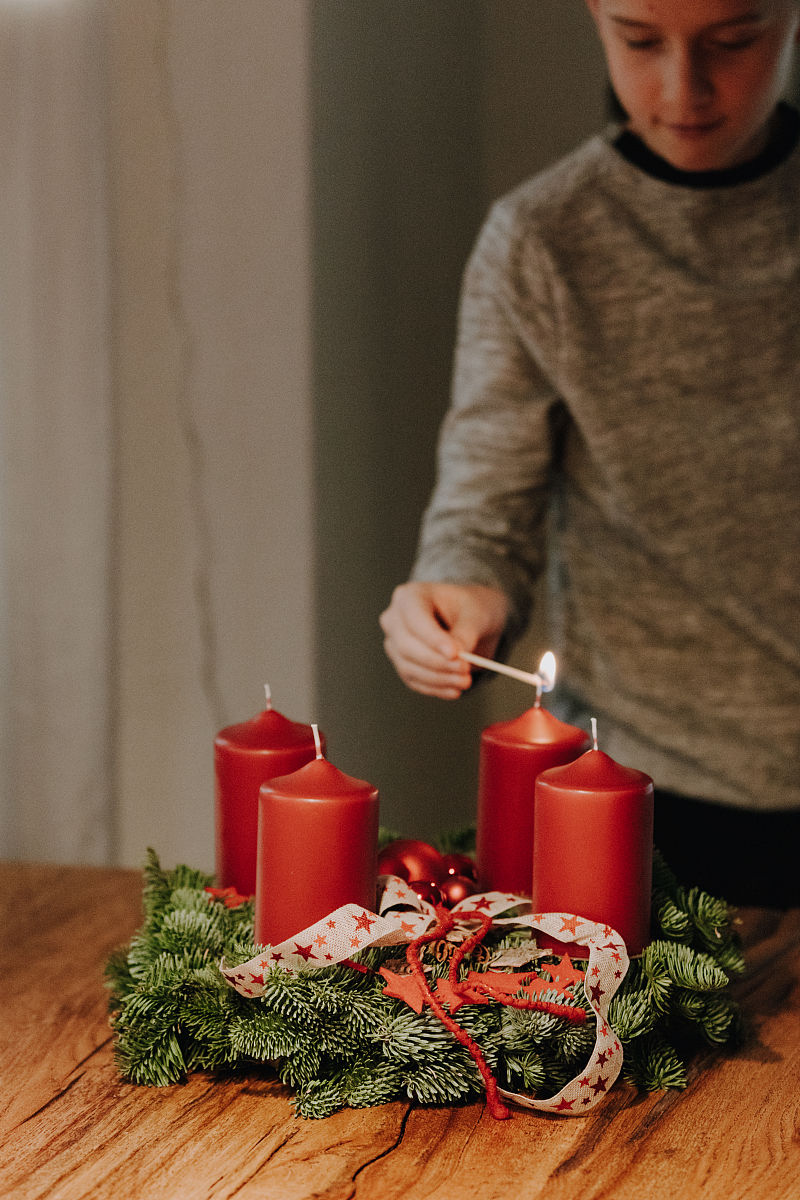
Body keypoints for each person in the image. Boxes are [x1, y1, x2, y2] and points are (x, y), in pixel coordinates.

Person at [380, 0, 800, 908]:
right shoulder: (542, 242)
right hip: (641, 811)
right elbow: (485, 519)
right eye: (639, 40)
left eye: (735, 39)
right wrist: (455, 592)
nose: (682, 89)